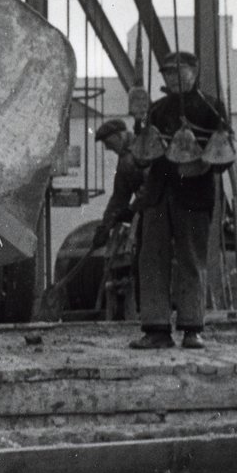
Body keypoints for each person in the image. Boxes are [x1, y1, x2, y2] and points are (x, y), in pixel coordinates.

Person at [131, 50, 233, 352]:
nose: (172, 78)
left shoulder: (211, 108)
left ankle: (192, 329)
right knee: (151, 259)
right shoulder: (158, 109)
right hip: (159, 194)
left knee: (191, 259)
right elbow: (142, 154)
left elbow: (224, 154)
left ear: (194, 71)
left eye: (178, 72)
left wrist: (203, 160)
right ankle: (156, 329)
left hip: (193, 194)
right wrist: (140, 125)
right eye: (167, 73)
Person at [94, 117, 144, 322]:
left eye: (109, 144)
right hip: (146, 211)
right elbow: (118, 197)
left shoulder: (143, 148)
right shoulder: (125, 161)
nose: (109, 149)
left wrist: (132, 210)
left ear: (118, 135)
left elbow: (152, 187)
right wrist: (104, 227)